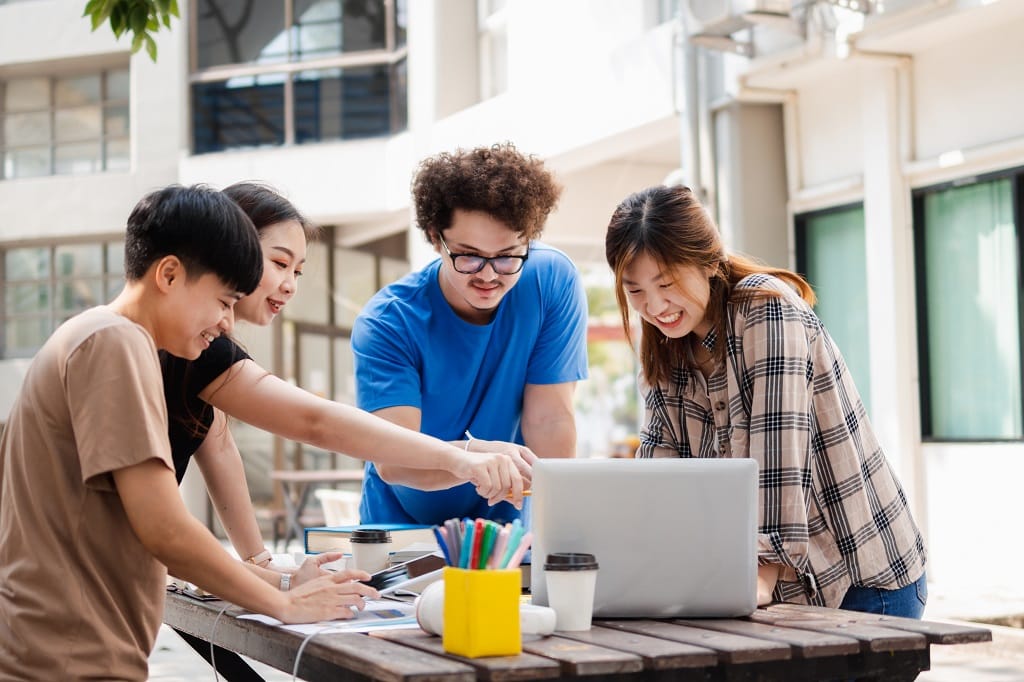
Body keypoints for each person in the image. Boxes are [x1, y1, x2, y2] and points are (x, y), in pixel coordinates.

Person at [0, 185, 377, 680]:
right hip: (68, 659)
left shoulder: (92, 336)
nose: (225, 323)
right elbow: (164, 529)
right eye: (222, 301)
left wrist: (276, 582)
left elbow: (133, 535)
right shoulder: (115, 342)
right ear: (170, 274)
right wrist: (283, 603)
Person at [161, 182, 532, 569]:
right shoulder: (190, 345)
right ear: (230, 249)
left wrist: (260, 563)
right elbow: (316, 422)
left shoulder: (199, 346)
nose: (289, 286)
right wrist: (465, 457)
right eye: (279, 263)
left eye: (298, 271)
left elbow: (219, 448)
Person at [604, 185, 927, 616]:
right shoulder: (665, 344)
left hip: (863, 582)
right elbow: (659, 468)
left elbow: (779, 456)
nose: (656, 305)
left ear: (707, 261)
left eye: (666, 282)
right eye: (636, 291)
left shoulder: (765, 308)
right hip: (763, 590)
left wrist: (759, 572)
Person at [352, 143, 589, 526]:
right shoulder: (388, 322)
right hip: (403, 528)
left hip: (508, 524)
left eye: (508, 255)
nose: (489, 274)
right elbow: (393, 459)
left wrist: (561, 522)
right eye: (469, 255)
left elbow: (550, 420)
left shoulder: (550, 281)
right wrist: (474, 455)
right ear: (435, 238)